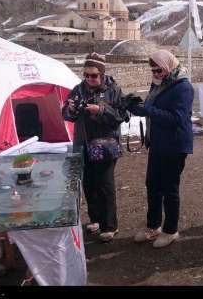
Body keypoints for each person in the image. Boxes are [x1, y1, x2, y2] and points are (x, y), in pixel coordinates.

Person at [129, 50, 193, 248]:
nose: (155, 74)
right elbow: (153, 107)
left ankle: (170, 230)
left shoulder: (183, 87)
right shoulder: (159, 84)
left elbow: (176, 118)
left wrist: (147, 109)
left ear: (168, 66)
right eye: (153, 70)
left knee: (169, 188)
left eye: (159, 70)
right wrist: (137, 104)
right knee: (153, 185)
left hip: (174, 145)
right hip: (158, 143)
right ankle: (153, 226)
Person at [62, 53, 127, 243]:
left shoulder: (113, 90)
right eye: (86, 75)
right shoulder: (78, 90)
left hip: (105, 146)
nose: (90, 79)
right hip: (83, 144)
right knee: (89, 184)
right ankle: (96, 219)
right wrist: (72, 109)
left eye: (94, 75)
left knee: (105, 184)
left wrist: (101, 110)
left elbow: (120, 116)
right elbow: (65, 113)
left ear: (102, 73)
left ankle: (110, 225)